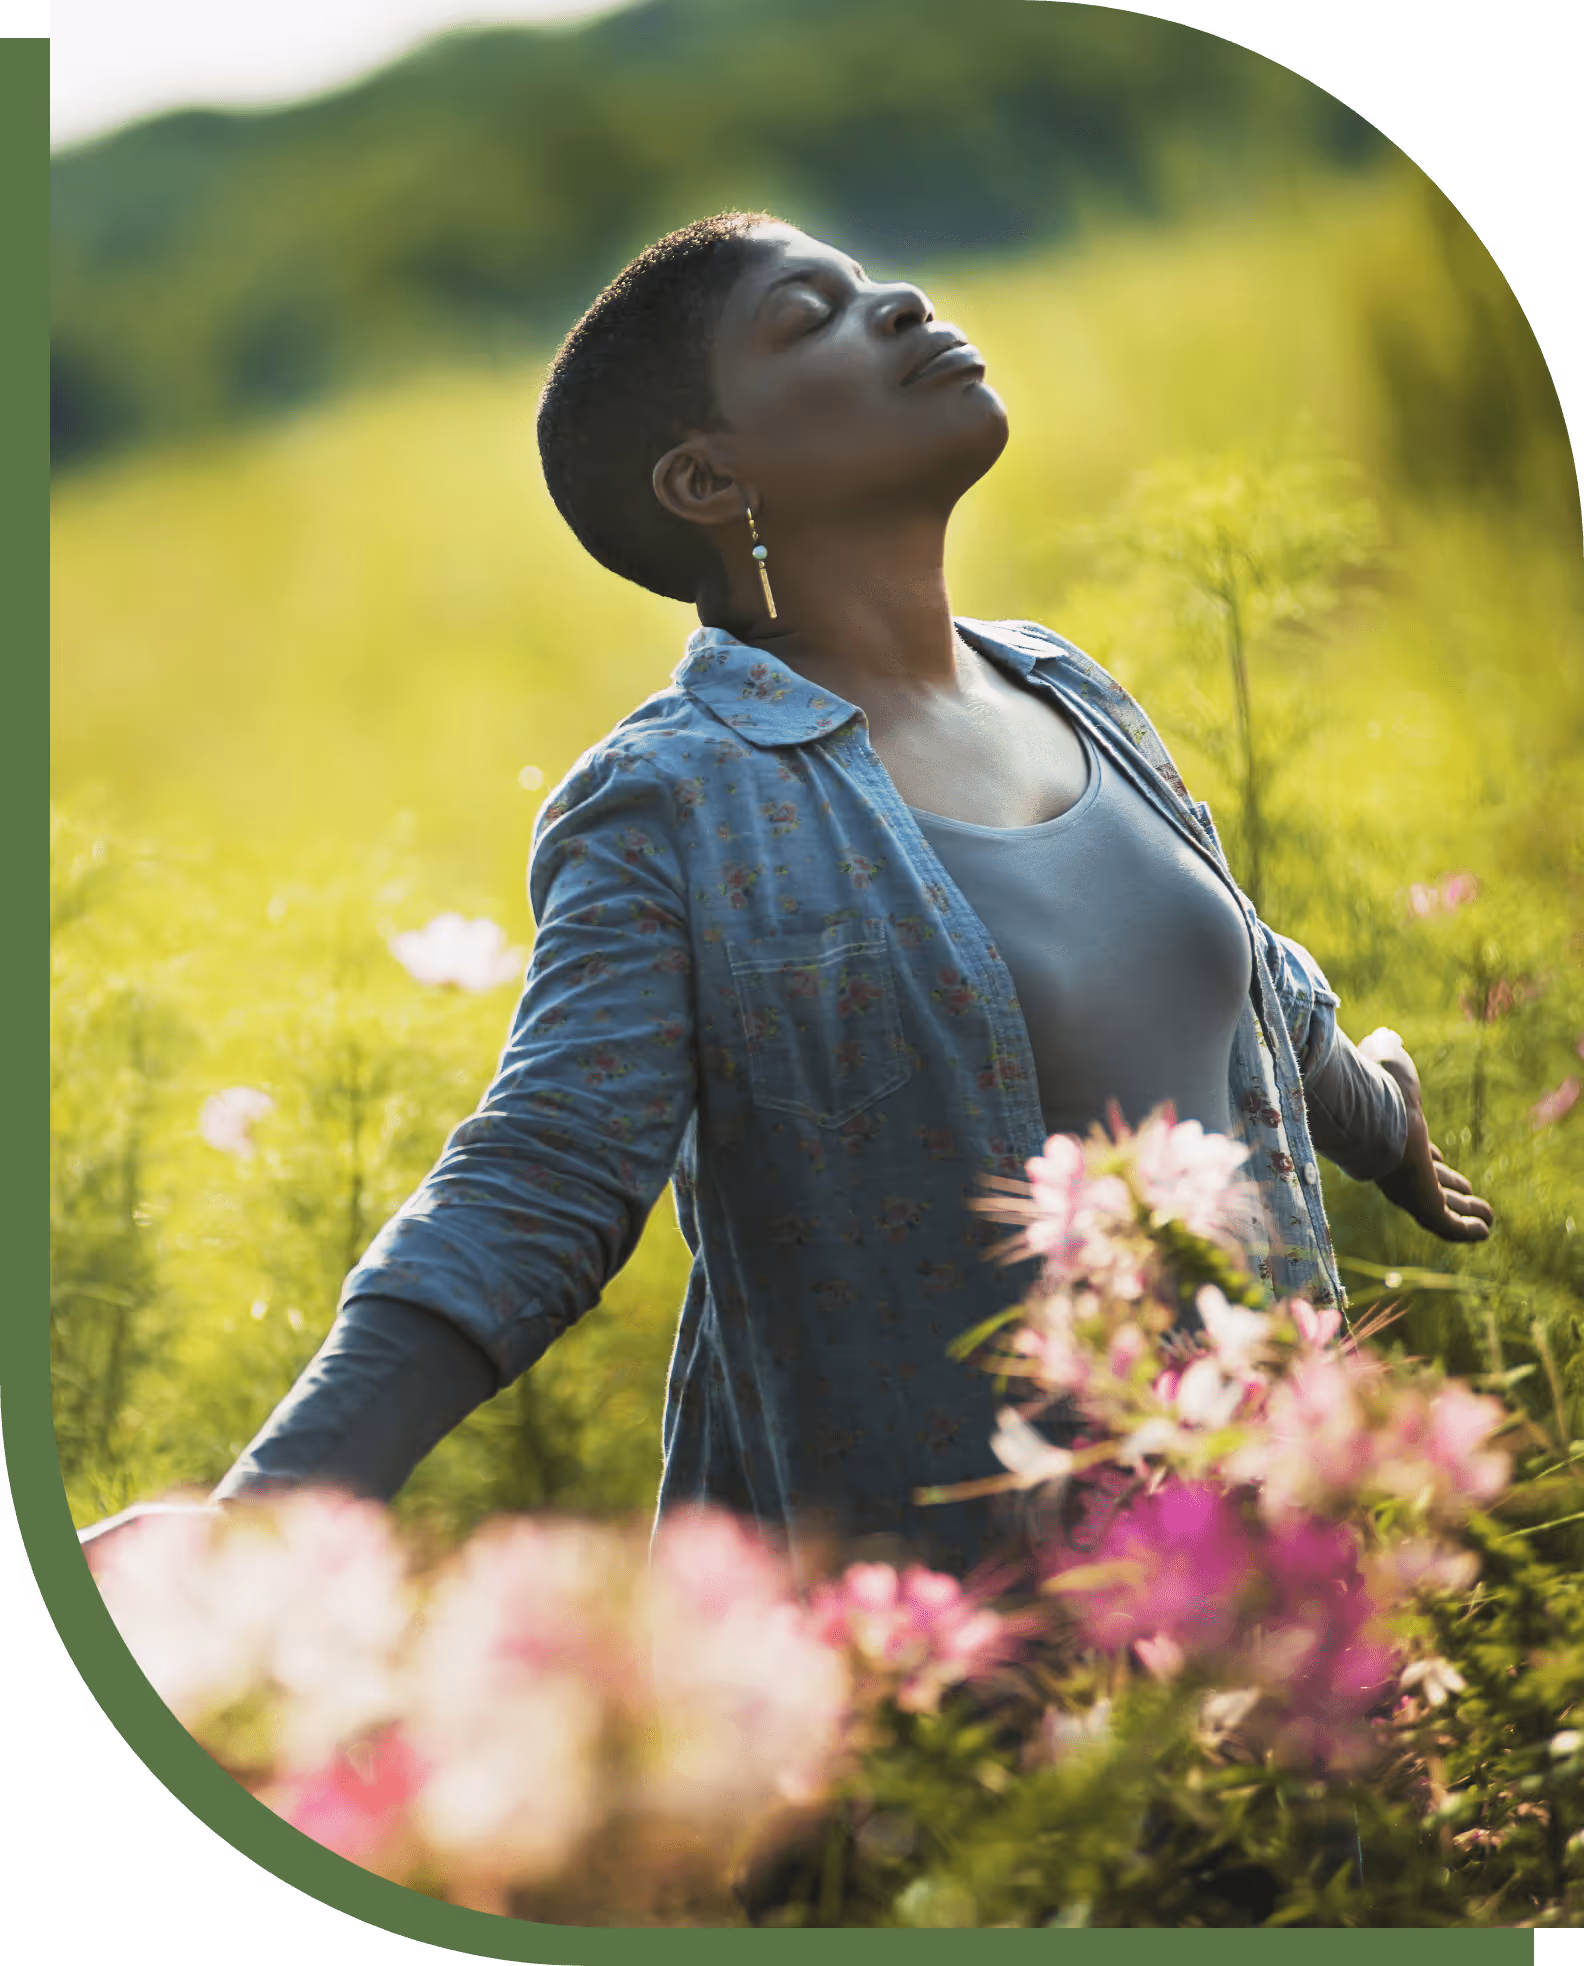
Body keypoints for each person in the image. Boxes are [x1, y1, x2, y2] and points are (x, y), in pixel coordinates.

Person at [196, 212, 1490, 1575]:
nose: (901, 303)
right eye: (807, 316)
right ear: (709, 478)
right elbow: (546, 1170)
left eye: (866, 281)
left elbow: (1235, 987)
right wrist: (269, 1518)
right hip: (981, 1658)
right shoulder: (678, 802)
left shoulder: (1063, 685)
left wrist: (1381, 1119)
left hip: (1285, 1564)